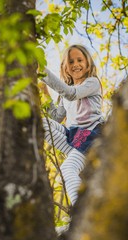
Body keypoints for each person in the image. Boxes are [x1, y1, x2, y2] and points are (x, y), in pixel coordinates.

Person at [41, 44, 104, 207]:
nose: (76, 64)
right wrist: (45, 93)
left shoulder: (92, 82)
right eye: (71, 61)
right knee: (40, 123)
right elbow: (56, 117)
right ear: (65, 68)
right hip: (74, 137)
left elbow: (71, 94)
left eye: (79, 60)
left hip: (91, 136)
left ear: (88, 63)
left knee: (68, 170)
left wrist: (41, 71)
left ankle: (78, 213)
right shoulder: (65, 95)